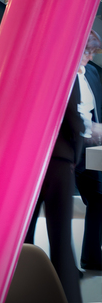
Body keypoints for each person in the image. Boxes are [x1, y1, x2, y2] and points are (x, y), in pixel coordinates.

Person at [24, 62, 85, 302]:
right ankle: (68, 298)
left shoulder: (26, 69)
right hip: (58, 163)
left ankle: (24, 294)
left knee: (22, 240)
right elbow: (75, 121)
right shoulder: (64, 69)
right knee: (61, 241)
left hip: (27, 163)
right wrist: (74, 157)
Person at [76, 31, 102, 271]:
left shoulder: (92, 72)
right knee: (48, 205)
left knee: (99, 197)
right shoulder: (59, 74)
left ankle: (92, 257)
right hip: (61, 151)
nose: (91, 56)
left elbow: (95, 113)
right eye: (87, 51)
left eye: (93, 52)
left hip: (88, 150)